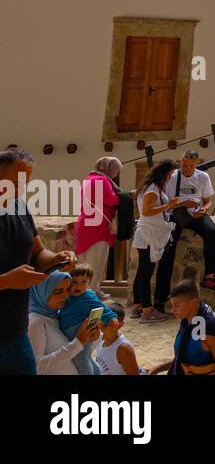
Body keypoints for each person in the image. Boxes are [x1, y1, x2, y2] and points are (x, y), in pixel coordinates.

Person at [1, 147, 76, 375]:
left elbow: (37, 252)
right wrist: (6, 281)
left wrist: (56, 258)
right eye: (14, 183)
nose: (20, 190)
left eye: (25, 183)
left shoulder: (19, 207)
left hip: (15, 331)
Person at [158, 150, 215, 291]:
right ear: (180, 162)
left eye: (190, 166)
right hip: (174, 215)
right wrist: (184, 203)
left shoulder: (203, 177)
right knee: (168, 249)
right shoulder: (172, 177)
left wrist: (204, 210)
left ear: (196, 164)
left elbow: (207, 201)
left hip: (195, 215)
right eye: (184, 165)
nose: (187, 168)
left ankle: (210, 277)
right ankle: (162, 292)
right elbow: (165, 202)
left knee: (210, 232)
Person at [131, 160, 183, 322]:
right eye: (169, 174)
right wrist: (168, 205)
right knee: (146, 273)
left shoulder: (149, 187)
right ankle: (148, 311)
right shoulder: (153, 190)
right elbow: (147, 211)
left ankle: (137, 305)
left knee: (142, 272)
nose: (169, 178)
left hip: (147, 234)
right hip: (149, 235)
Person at [148, 279, 215, 375]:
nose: (172, 310)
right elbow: (184, 355)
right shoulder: (189, 316)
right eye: (172, 305)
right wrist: (157, 369)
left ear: (193, 302)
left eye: (177, 305)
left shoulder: (209, 328)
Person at [27, 271, 100, 375]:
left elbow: (79, 355)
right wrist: (78, 342)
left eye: (68, 289)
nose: (65, 296)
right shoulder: (35, 322)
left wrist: (91, 337)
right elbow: (37, 367)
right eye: (58, 292)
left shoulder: (58, 316)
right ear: (42, 292)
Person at [74, 157, 121, 293]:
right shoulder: (101, 180)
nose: (117, 174)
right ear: (109, 168)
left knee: (84, 262)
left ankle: (85, 290)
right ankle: (92, 292)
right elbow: (112, 199)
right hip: (98, 228)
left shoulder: (89, 179)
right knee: (96, 263)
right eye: (116, 170)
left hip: (86, 224)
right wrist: (127, 195)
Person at [59, 263, 108, 370]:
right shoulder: (68, 296)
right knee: (86, 357)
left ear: (89, 283)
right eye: (75, 282)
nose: (78, 285)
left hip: (80, 331)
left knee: (81, 358)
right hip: (75, 331)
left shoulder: (87, 296)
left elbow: (103, 308)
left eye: (84, 282)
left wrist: (112, 318)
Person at [95, 302, 140, 376]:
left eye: (106, 325)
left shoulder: (123, 349)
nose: (101, 327)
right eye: (100, 322)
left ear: (120, 325)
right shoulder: (100, 340)